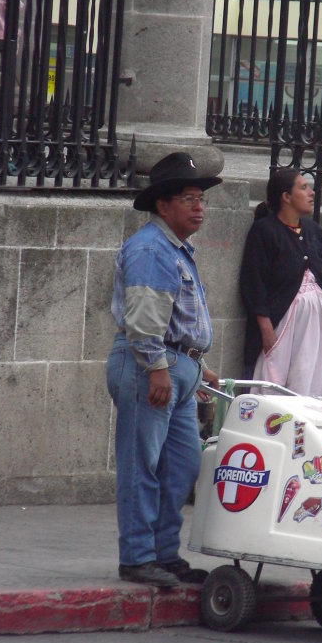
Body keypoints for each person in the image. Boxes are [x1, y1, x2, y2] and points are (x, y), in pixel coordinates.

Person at [106, 151, 221, 587]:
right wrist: (157, 369)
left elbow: (179, 320)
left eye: (200, 199)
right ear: (163, 206)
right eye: (188, 198)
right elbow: (144, 322)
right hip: (149, 367)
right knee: (143, 464)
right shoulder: (152, 250)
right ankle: (138, 556)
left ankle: (163, 553)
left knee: (181, 464)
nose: (198, 207)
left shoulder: (174, 249)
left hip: (174, 368)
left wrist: (200, 367)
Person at [239, 168, 322, 396]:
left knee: (314, 386)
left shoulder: (313, 231)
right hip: (286, 328)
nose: (311, 192)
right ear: (286, 197)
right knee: (282, 387)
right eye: (303, 187)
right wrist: (266, 328)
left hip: (321, 329)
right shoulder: (264, 231)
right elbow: (254, 281)